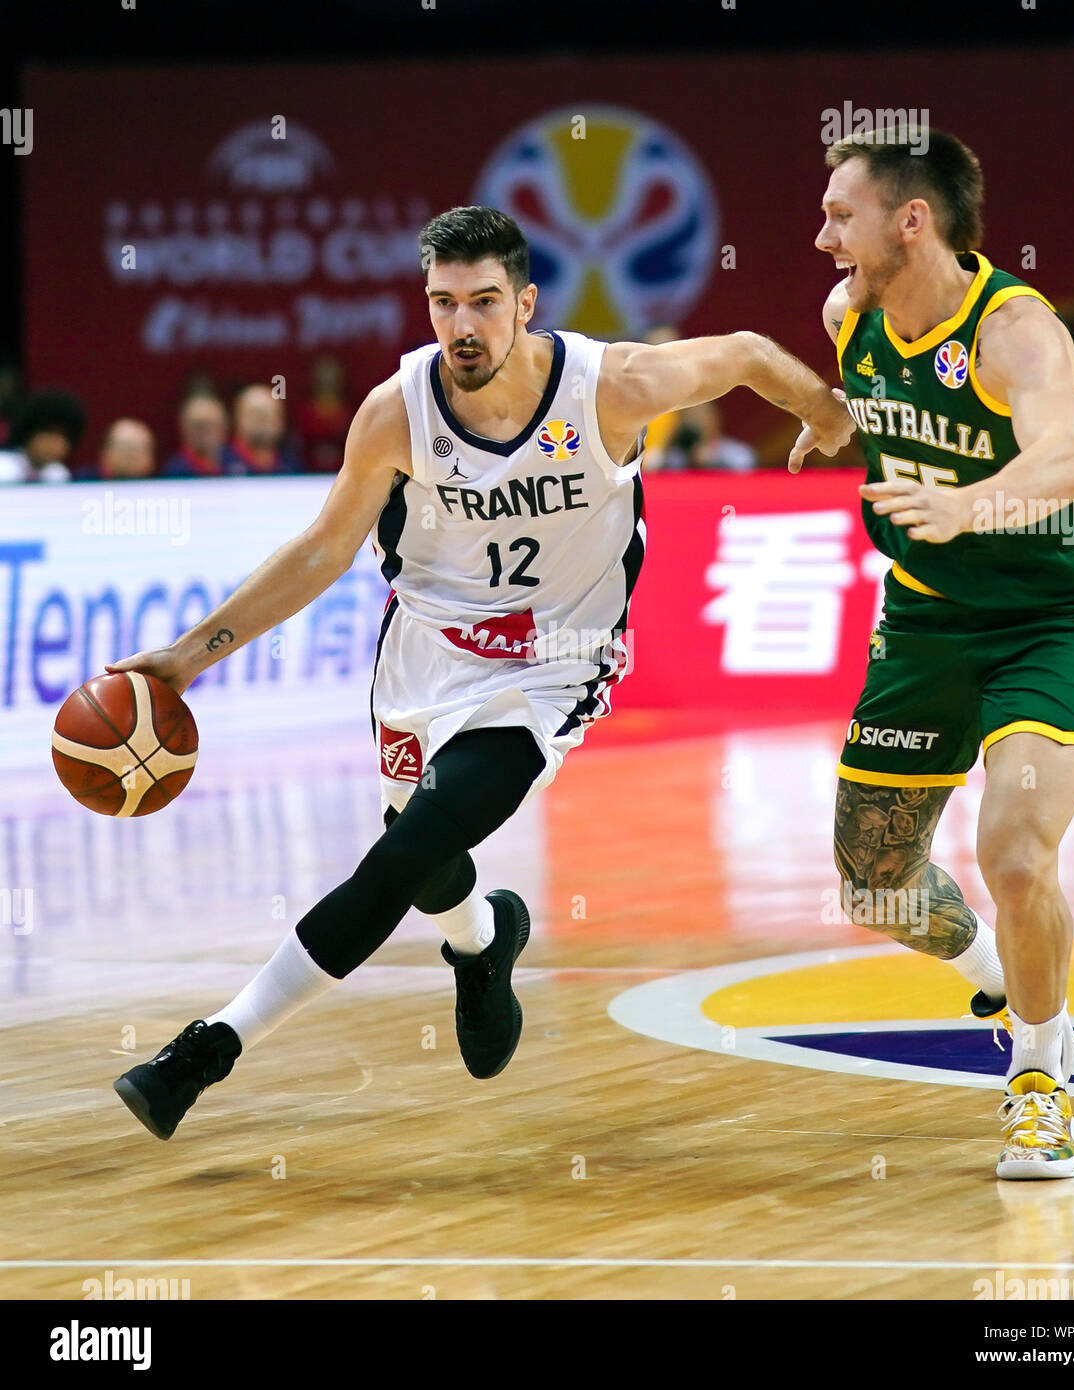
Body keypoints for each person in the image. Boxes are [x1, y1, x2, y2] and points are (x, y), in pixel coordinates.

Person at [107, 204, 853, 1141]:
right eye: (443, 303)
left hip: (552, 665)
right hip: (424, 654)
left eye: (484, 303)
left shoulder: (608, 386)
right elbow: (322, 551)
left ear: (526, 304)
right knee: (422, 861)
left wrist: (824, 409)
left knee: (409, 848)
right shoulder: (397, 410)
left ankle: (208, 1049)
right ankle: (484, 941)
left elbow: (745, 350)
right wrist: (187, 657)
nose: (463, 326)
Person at [804, 130, 1074, 1179]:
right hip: (926, 620)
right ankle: (994, 973)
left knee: (1016, 855)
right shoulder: (848, 316)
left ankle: (1038, 1074)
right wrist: (831, 420)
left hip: (1046, 620)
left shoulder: (1013, 330)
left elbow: (1065, 457)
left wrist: (966, 504)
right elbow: (873, 400)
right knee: (873, 882)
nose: (820, 236)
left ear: (910, 219)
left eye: (839, 215)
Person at [0, 389, 86, 484]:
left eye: (65, 437)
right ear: (29, 431)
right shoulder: (5, 467)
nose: (57, 444)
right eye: (50, 433)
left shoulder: (58, 474)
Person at [222, 384, 298, 475]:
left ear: (280, 421)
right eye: (254, 415)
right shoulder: (219, 464)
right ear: (237, 419)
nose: (260, 422)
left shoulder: (292, 465)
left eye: (267, 416)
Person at [163, 394, 229, 478]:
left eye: (211, 425)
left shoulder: (236, 463)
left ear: (224, 426)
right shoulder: (174, 471)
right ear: (184, 428)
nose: (205, 432)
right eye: (199, 426)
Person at [73, 419, 155, 481]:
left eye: (137, 450)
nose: (131, 457)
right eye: (126, 449)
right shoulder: (83, 482)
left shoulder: (159, 491)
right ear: (105, 453)